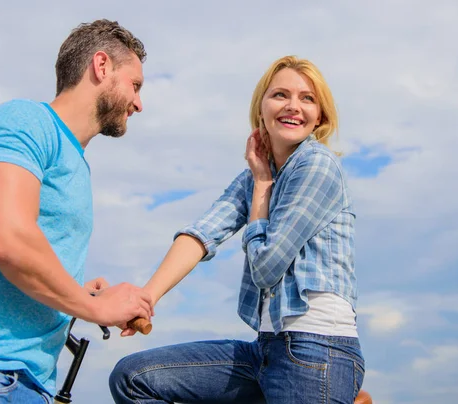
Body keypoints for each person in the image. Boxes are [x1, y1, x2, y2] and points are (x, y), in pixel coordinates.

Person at [0, 19, 154, 404]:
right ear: (101, 66)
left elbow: (27, 258)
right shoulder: (25, 121)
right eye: (135, 85)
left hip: (20, 382)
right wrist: (92, 307)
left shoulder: (75, 160)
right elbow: (5, 237)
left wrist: (76, 290)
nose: (139, 103)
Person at [110, 56, 364, 404]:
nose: (293, 106)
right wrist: (146, 298)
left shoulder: (316, 166)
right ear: (261, 108)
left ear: (320, 116)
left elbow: (267, 266)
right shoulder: (254, 175)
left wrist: (262, 188)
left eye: (308, 98)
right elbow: (202, 233)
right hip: (267, 349)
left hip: (317, 350)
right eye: (280, 95)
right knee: (134, 378)